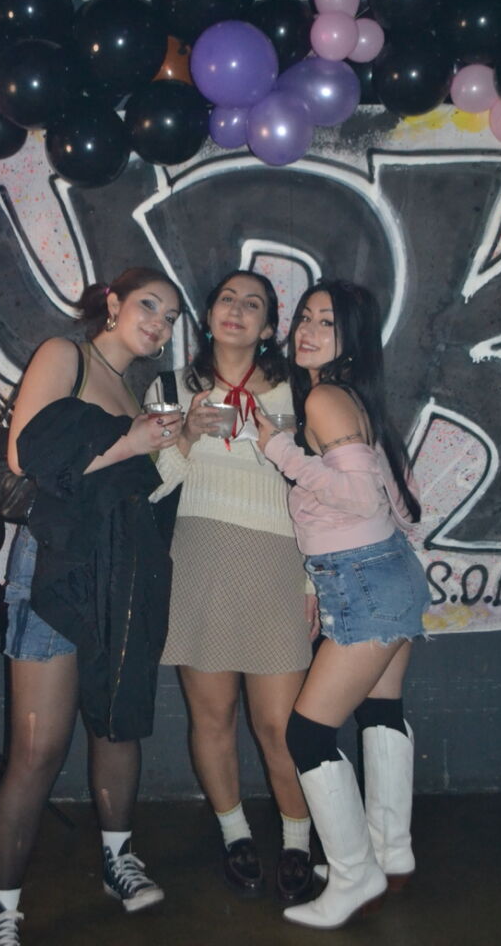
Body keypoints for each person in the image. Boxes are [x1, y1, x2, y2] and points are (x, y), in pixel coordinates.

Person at [0, 268, 184, 946]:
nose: (159, 322)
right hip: (54, 563)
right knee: (38, 747)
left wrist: (176, 444)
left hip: (119, 567)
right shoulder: (64, 355)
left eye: (170, 316)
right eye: (149, 304)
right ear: (113, 303)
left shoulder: (137, 391)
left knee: (116, 723)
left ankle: (118, 861)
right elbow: (24, 457)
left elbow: (137, 488)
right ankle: (2, 910)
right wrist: (132, 442)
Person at [256, 279, 431, 930]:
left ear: (351, 338)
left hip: (362, 578)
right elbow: (397, 495)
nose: (306, 331)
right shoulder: (354, 397)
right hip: (385, 571)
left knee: (307, 733)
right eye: (304, 317)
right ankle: (390, 851)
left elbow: (356, 497)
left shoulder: (325, 398)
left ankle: (355, 875)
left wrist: (278, 449)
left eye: (325, 323)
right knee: (381, 711)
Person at [146, 270, 316, 905]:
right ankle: (235, 833)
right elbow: (151, 485)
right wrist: (188, 432)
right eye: (227, 299)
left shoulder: (301, 389)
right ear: (208, 313)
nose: (237, 311)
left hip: (279, 561)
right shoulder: (169, 388)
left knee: (279, 726)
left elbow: (318, 490)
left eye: (253, 304)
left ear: (269, 326)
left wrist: (312, 580)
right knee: (212, 716)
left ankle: (297, 839)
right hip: (198, 558)